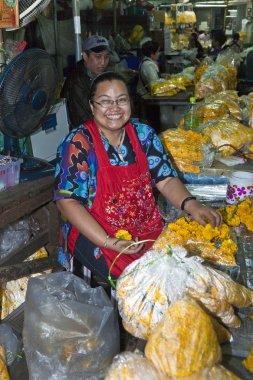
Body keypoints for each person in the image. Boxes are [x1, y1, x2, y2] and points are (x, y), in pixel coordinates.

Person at [54, 71, 222, 284]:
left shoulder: (144, 134)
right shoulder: (79, 143)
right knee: (142, 284)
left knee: (180, 272)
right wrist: (108, 241)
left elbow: (166, 179)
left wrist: (191, 204)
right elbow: (67, 202)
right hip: (96, 232)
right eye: (105, 101)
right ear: (92, 105)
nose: (114, 108)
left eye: (121, 100)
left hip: (146, 230)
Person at [60, 35, 111, 129]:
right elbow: (84, 120)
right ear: (85, 56)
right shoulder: (76, 82)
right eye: (98, 56)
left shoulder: (100, 76)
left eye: (106, 57)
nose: (103, 62)